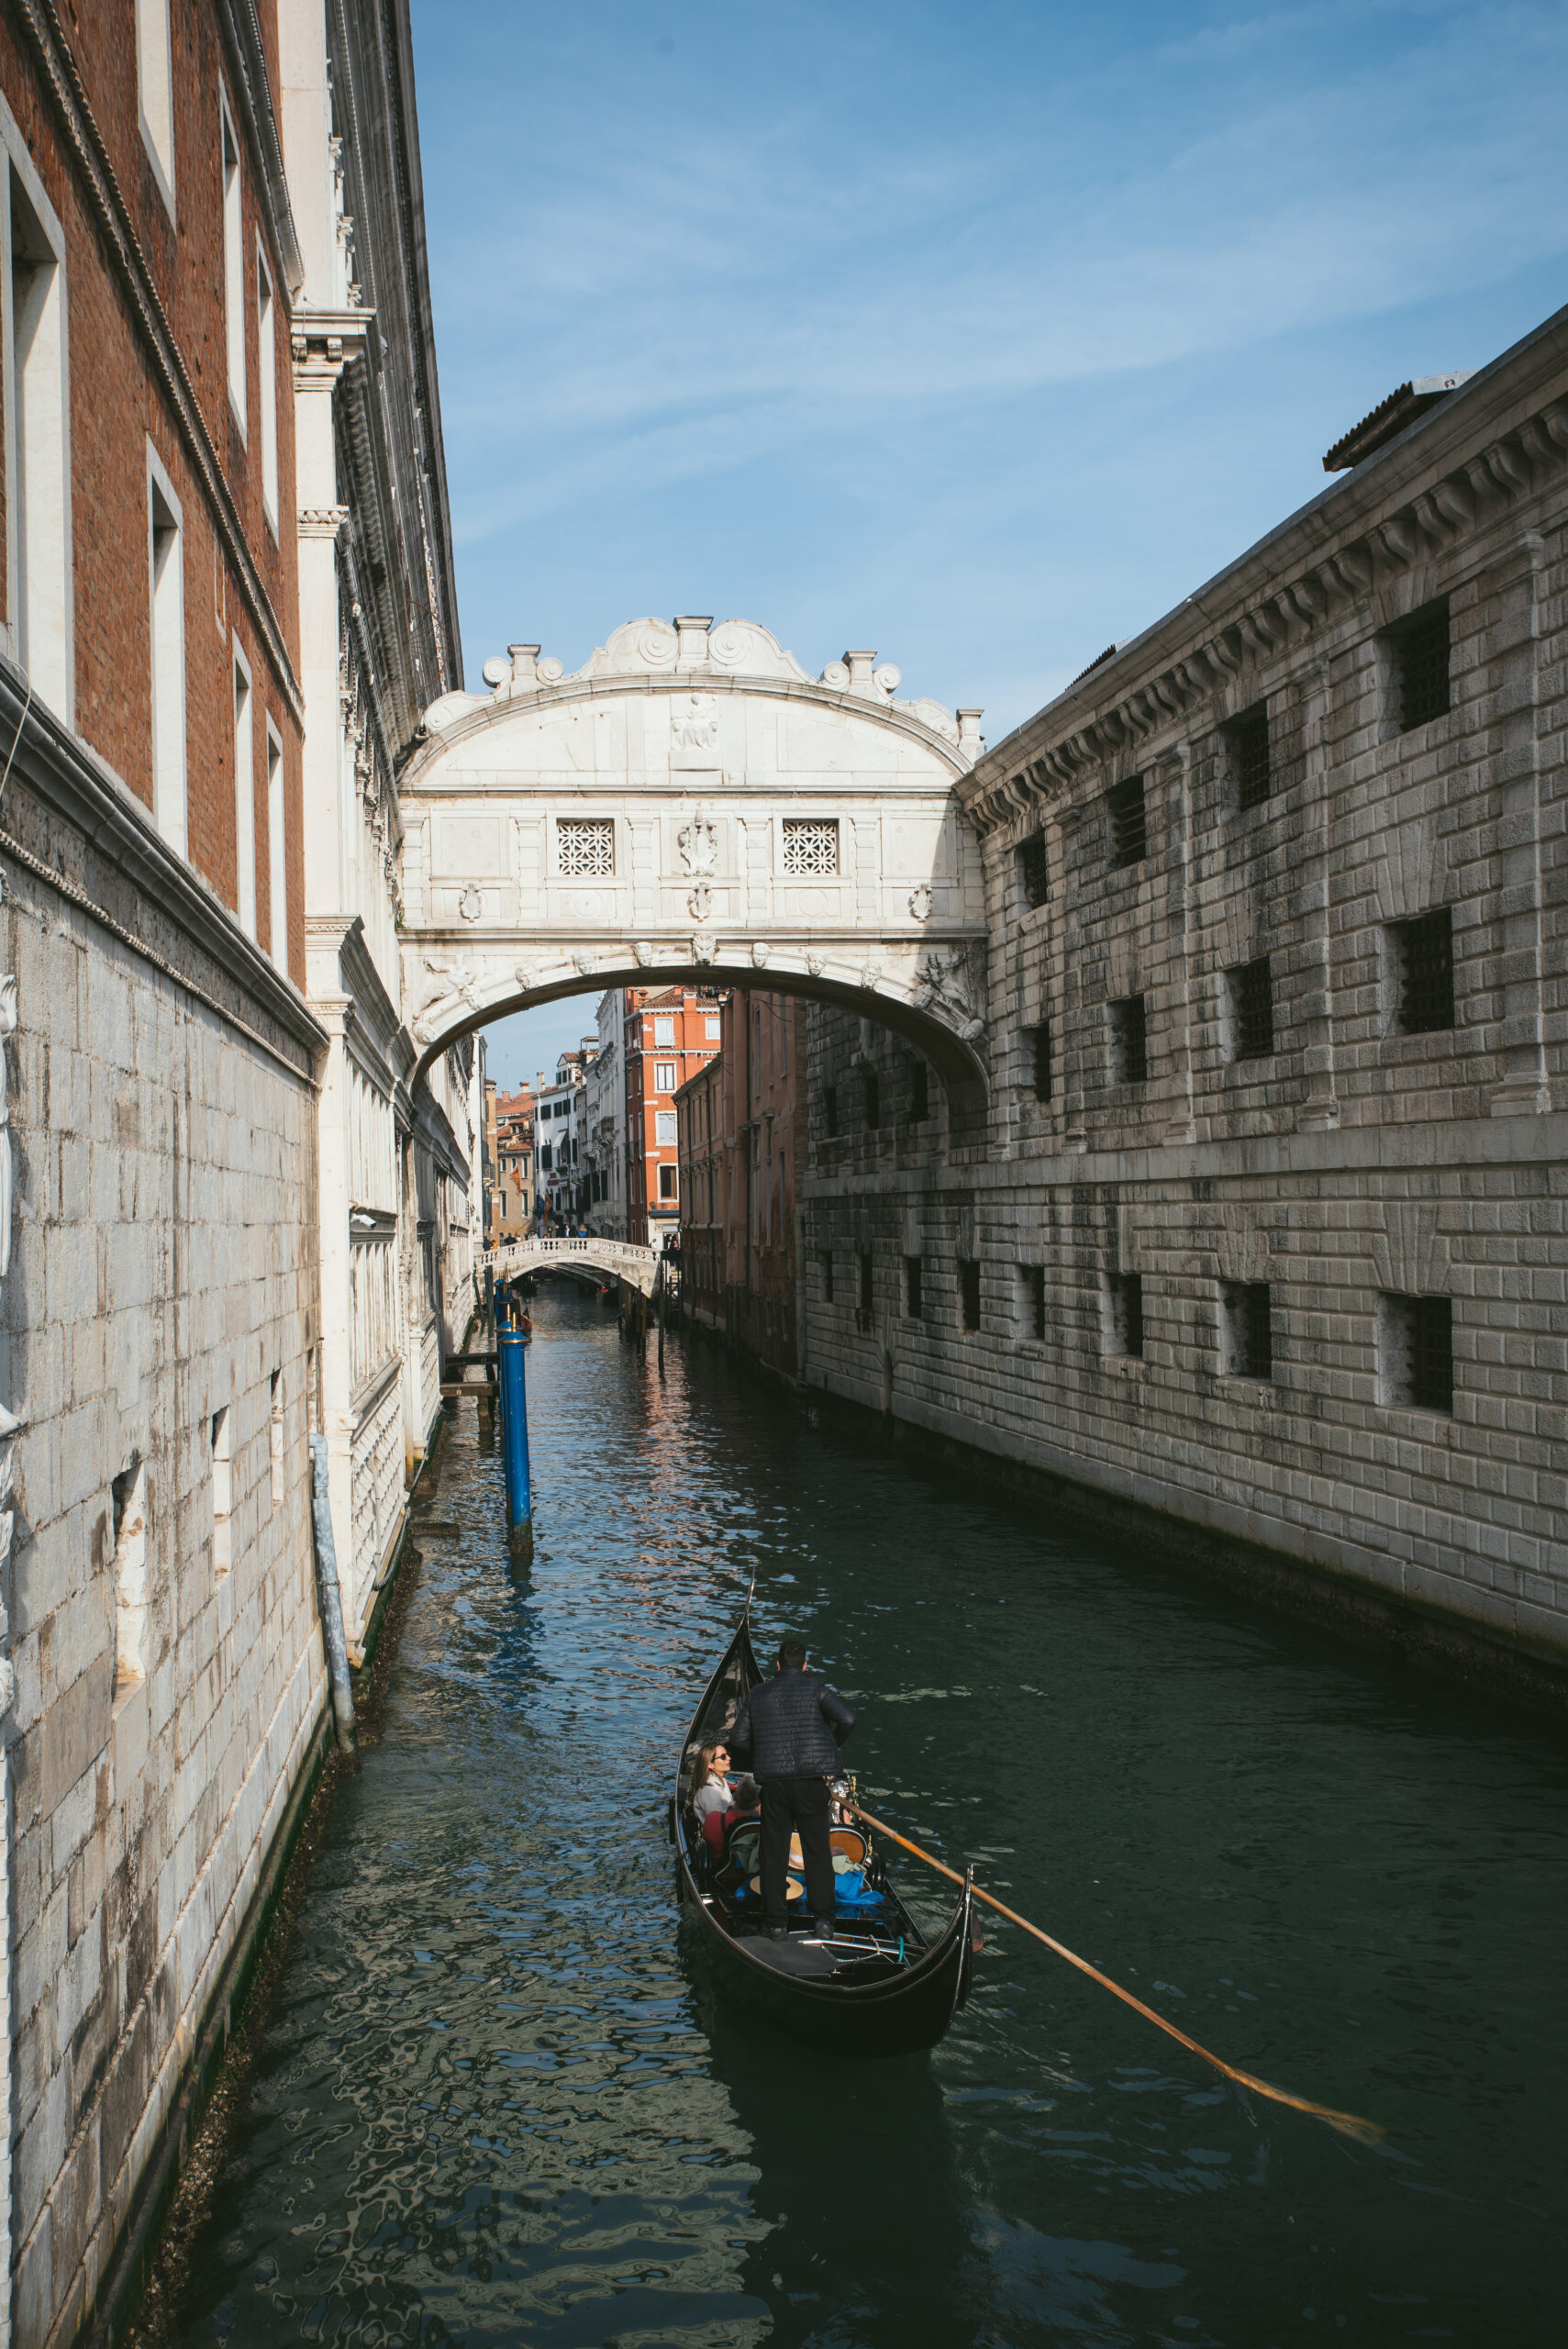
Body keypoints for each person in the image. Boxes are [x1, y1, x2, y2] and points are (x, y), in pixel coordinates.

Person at [728, 1638, 856, 1941]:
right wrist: (830, 1745)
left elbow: (737, 1740)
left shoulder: (759, 1693)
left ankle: (776, 1924)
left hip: (774, 1785)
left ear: (777, 1664)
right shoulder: (816, 1689)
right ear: (805, 1665)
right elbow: (848, 1718)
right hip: (811, 1784)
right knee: (817, 1852)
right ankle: (823, 1922)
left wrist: (762, 1755)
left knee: (774, 1853)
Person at [690, 1742, 755, 1821]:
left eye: (727, 1754)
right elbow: (718, 1821)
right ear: (710, 1764)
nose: (729, 1758)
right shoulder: (708, 1790)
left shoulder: (720, 1782)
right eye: (723, 1757)